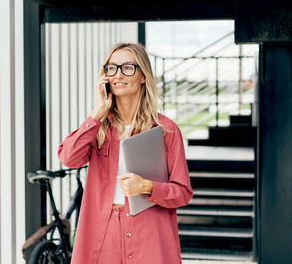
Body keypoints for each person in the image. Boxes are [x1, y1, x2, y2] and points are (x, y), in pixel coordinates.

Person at [58, 43, 193, 264]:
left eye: (127, 67)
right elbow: (68, 158)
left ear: (143, 76)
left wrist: (147, 187)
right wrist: (96, 114)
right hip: (103, 231)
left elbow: (183, 192)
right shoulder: (98, 127)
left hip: (148, 230)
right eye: (112, 68)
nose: (118, 74)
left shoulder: (165, 130)